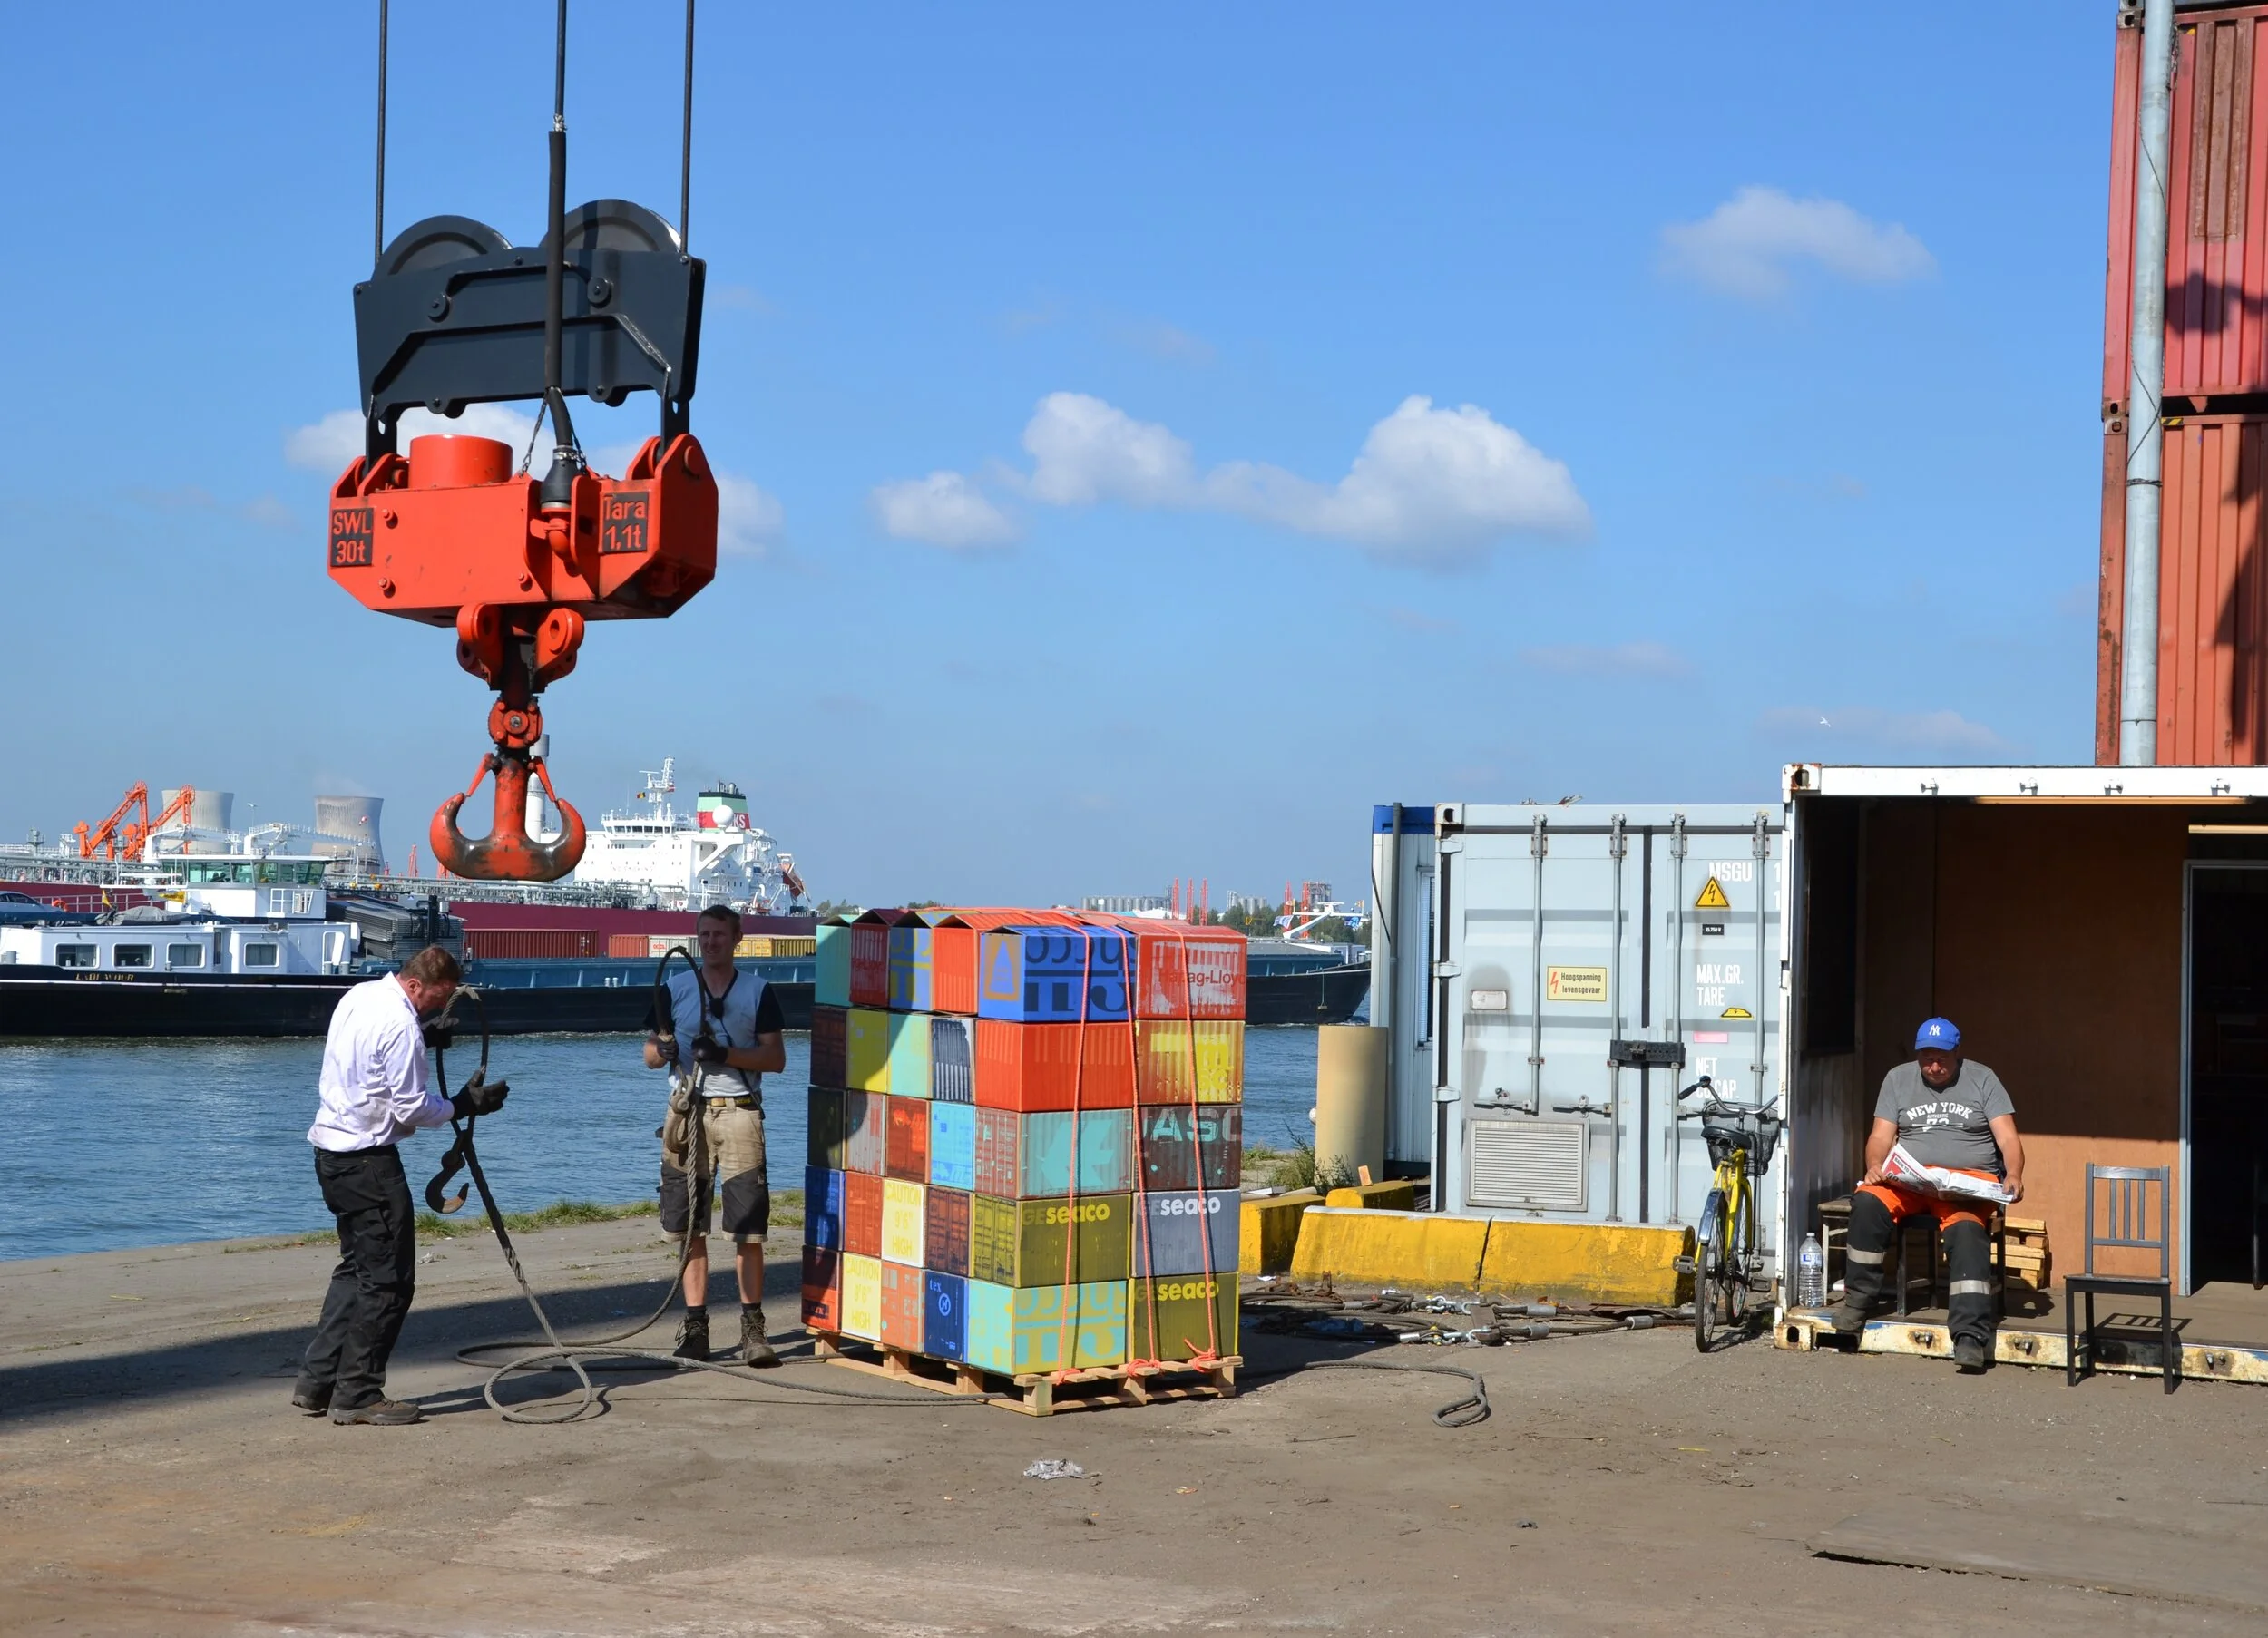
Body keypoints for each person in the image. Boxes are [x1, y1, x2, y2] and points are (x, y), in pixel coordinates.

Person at [295, 946, 507, 1425]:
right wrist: (463, 1105)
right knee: (389, 1282)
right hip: (368, 1163)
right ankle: (359, 1394)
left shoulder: (361, 995)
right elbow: (410, 1109)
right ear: (416, 986)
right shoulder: (401, 1027)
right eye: (438, 997)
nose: (439, 1004)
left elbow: (365, 1062)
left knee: (357, 1271)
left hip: (331, 1154)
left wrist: (426, 1036)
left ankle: (317, 1383)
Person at [1829, 1018, 2026, 1372]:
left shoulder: (1983, 1079)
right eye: (1927, 1058)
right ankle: (1857, 1303)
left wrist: (2013, 1173)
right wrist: (1874, 1164)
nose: (1934, 1067)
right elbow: (1879, 1136)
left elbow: (2008, 1138)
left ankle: (1969, 1336)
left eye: (1942, 1059)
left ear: (1957, 1053)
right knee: (1867, 1203)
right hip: (1911, 1179)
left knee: (1967, 1234)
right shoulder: (1897, 1078)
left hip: (1965, 1185)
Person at [644, 904, 787, 1366]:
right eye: (704, 935)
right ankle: (697, 1328)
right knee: (689, 1227)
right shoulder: (676, 989)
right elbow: (649, 1054)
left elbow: (775, 1059)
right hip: (687, 1112)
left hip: (739, 1111)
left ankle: (752, 1329)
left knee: (747, 1228)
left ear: (737, 938)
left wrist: (727, 1054)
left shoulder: (758, 992)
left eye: (719, 935)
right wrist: (662, 1050)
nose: (711, 942)